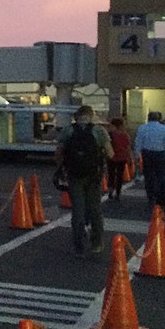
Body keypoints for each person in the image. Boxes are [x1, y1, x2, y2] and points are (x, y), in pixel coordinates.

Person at [55, 106, 113, 256]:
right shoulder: (99, 131)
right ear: (91, 116)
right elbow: (110, 154)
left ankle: (79, 245)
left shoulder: (68, 131)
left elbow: (59, 153)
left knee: (78, 210)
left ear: (77, 116)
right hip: (94, 176)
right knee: (95, 209)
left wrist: (62, 168)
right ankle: (97, 243)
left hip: (74, 176)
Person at [134, 111, 165, 208]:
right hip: (160, 154)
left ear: (148, 118)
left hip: (147, 154)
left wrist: (136, 156)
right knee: (160, 176)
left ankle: (150, 196)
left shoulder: (142, 128)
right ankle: (159, 196)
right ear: (159, 119)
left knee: (148, 176)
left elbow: (138, 142)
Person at [107, 117, 132, 200]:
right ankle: (118, 192)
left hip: (112, 157)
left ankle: (111, 190)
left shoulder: (110, 134)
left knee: (111, 174)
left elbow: (107, 146)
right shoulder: (125, 135)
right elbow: (128, 147)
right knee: (120, 175)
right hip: (122, 157)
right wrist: (130, 158)